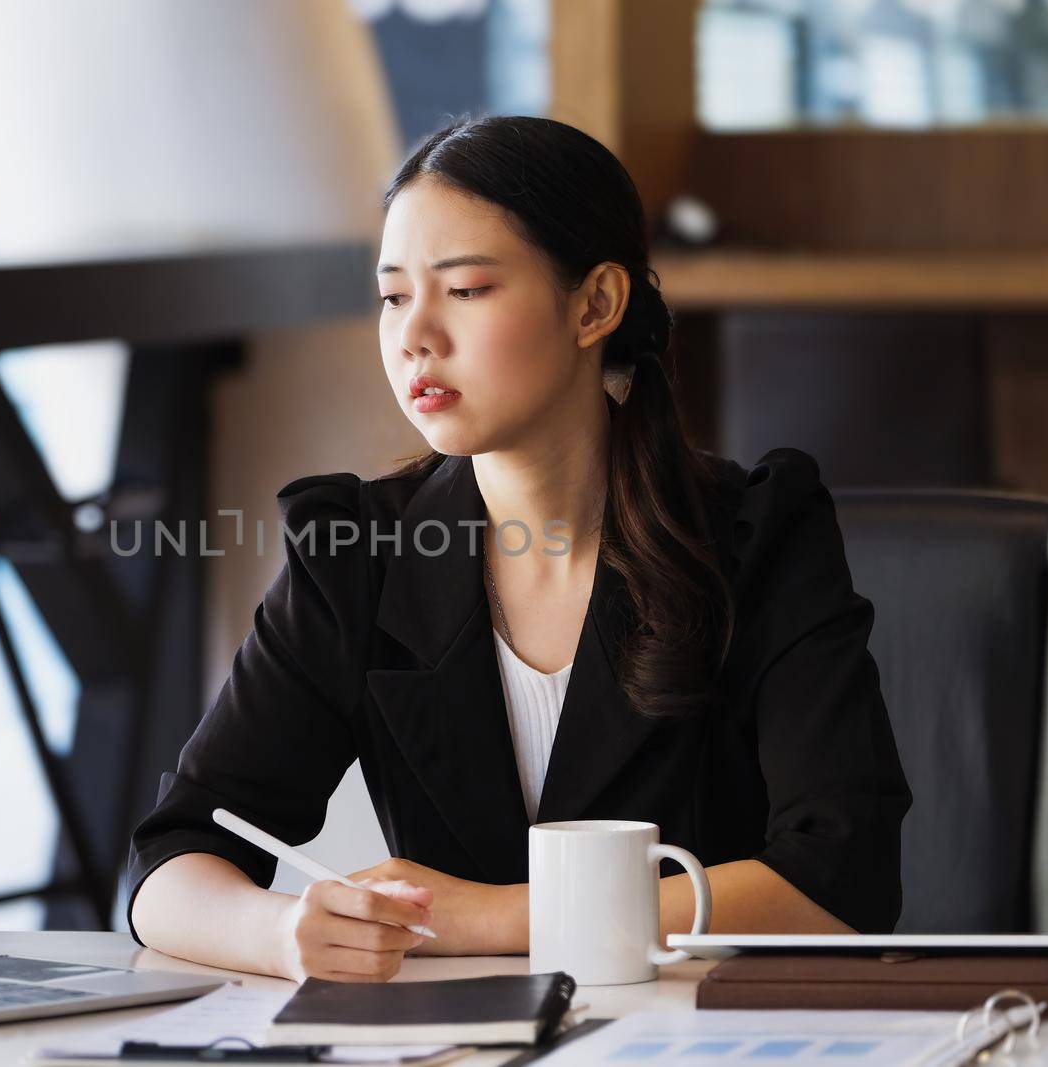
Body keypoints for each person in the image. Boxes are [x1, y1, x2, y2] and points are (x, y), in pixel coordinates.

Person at [125, 115, 912, 983]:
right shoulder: (360, 550)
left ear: (595, 304)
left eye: (464, 289)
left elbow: (842, 882)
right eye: (393, 296)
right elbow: (172, 862)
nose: (414, 335)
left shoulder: (756, 534)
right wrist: (284, 933)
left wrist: (494, 915)